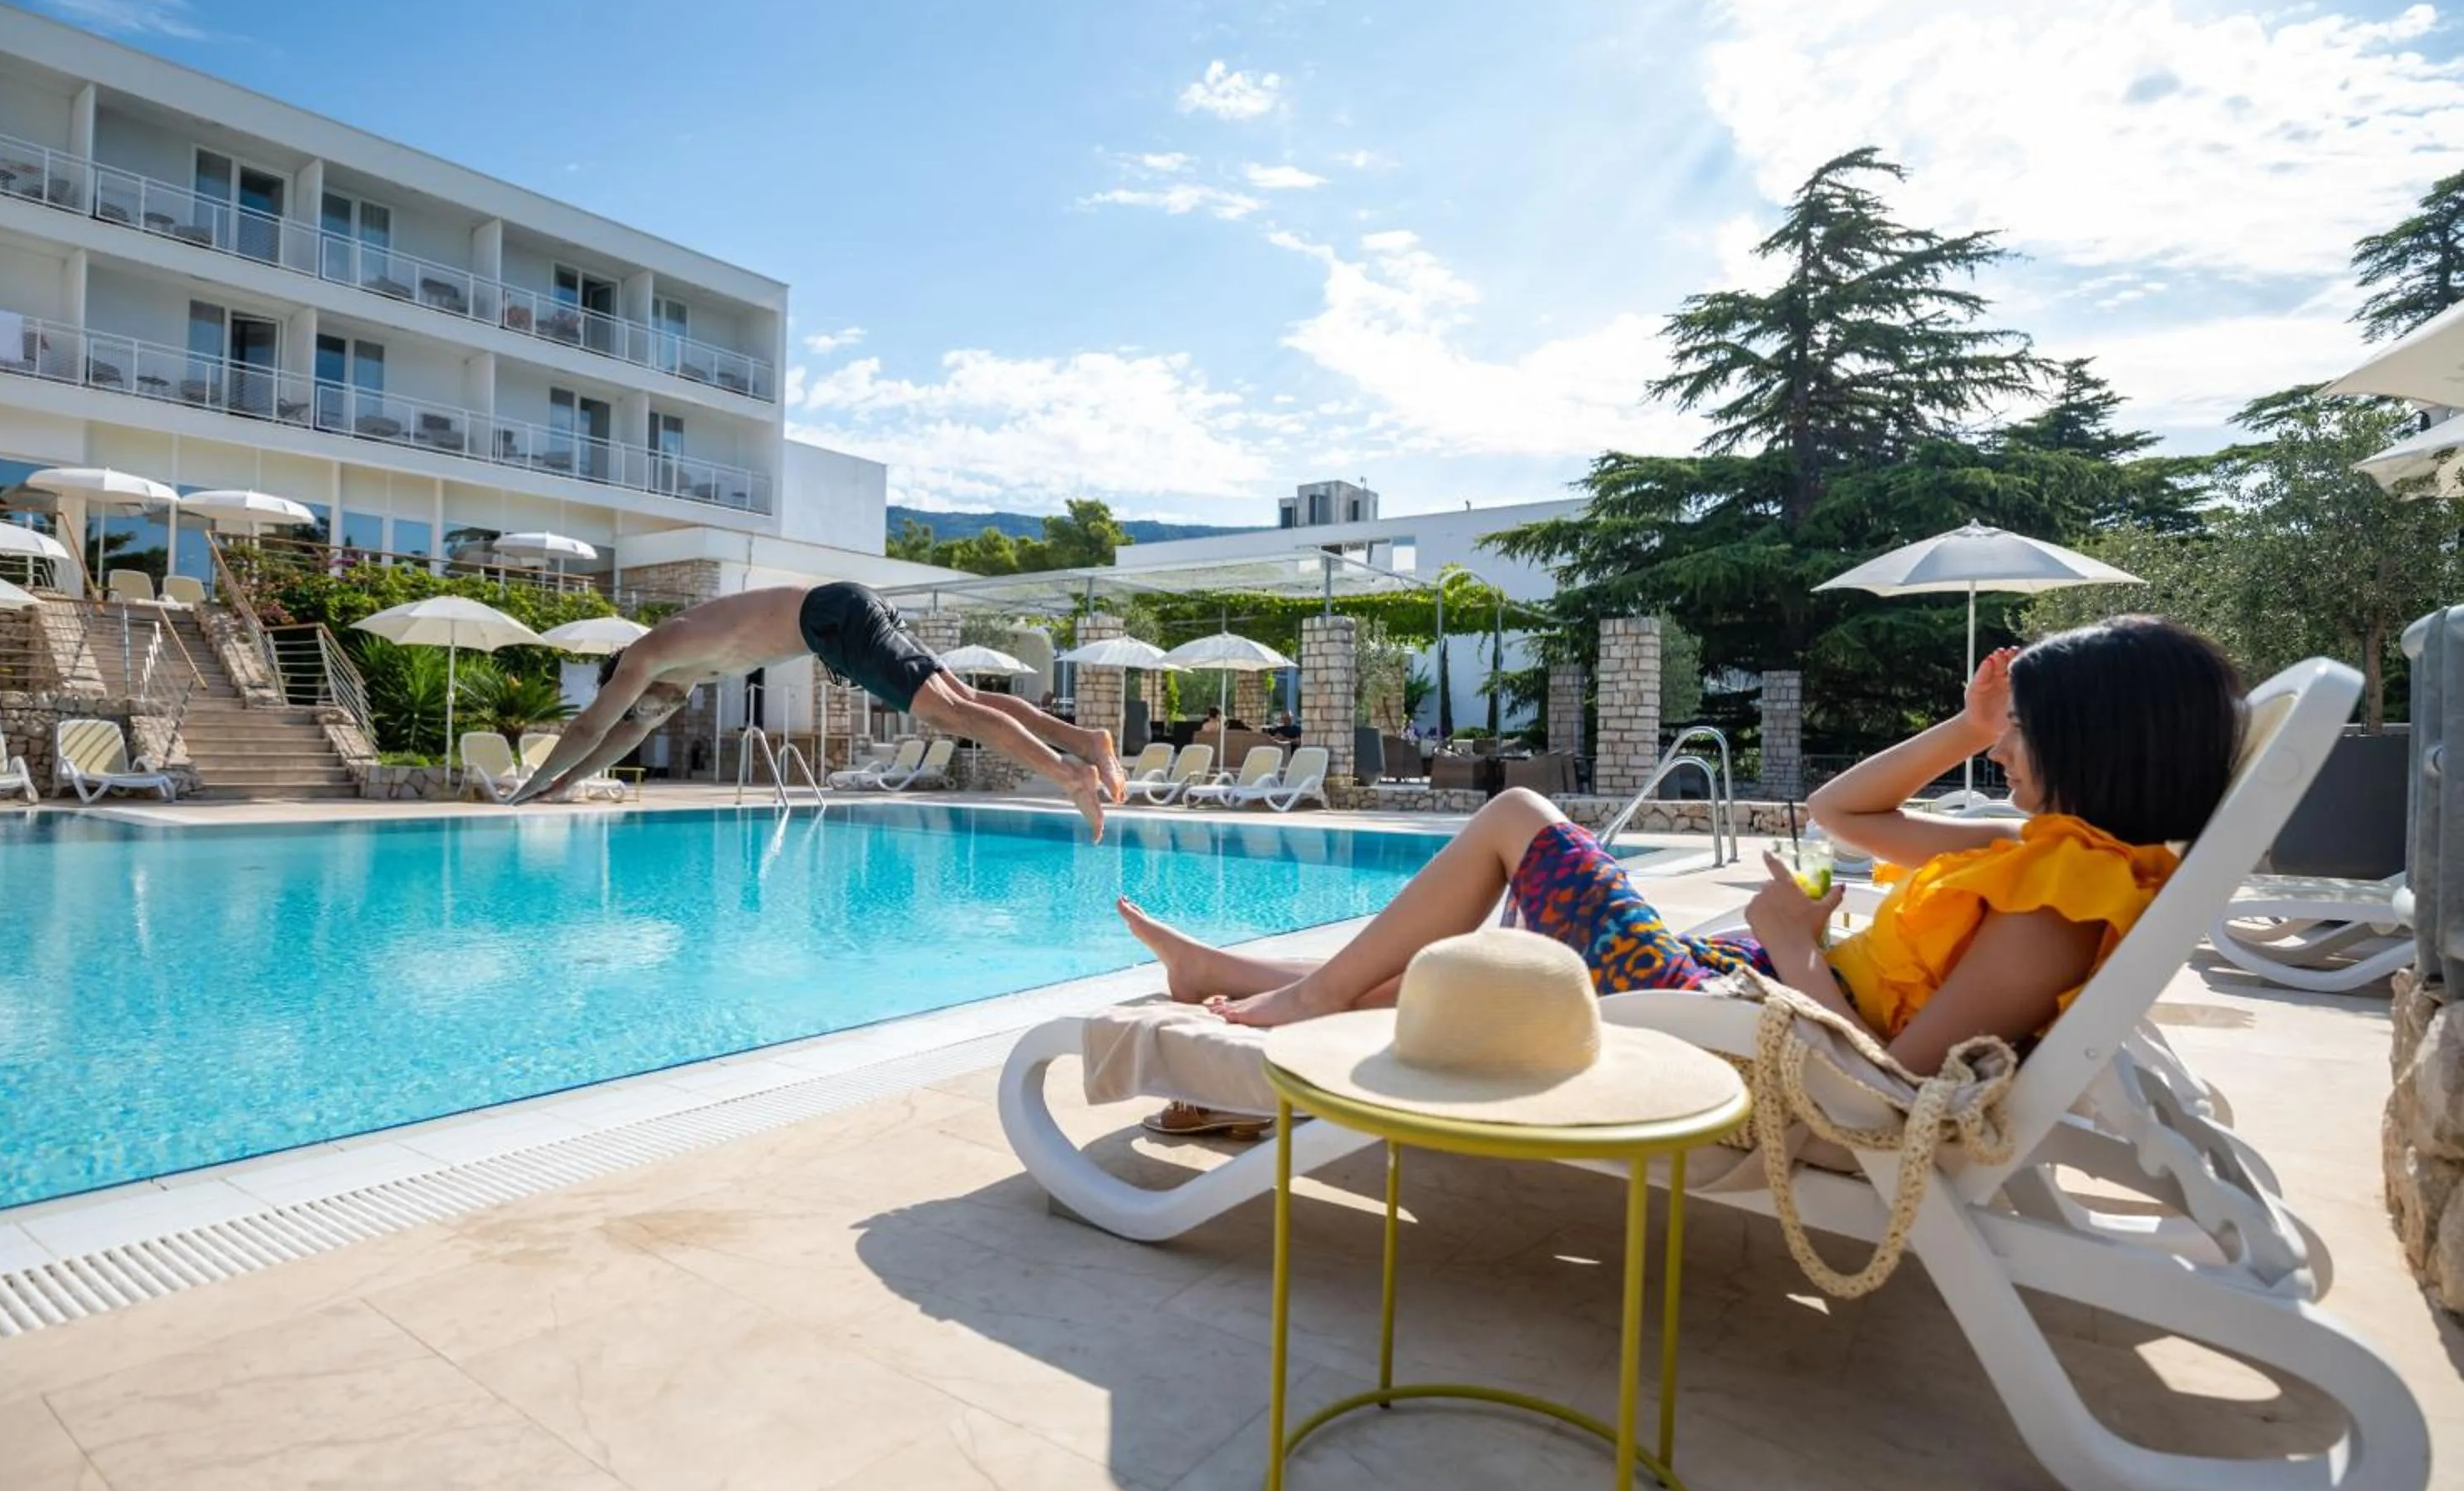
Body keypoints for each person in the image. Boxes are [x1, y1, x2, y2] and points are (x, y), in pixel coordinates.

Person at [1115, 617, 2242, 1075]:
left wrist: (1792, 943)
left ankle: (1306, 999)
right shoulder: (2047, 851)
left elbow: (1893, 1081)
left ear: (2097, 742)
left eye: (2022, 735)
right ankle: (1231, 975)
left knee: (1516, 820)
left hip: (1754, 1017)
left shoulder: (2057, 904)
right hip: (1743, 986)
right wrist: (1969, 724)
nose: (2003, 757)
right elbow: (1839, 814)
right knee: (1462, 974)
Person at [510, 583, 1126, 837]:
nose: (649, 711)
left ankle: (1071, 775)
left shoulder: (646, 657)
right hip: (841, 612)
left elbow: (595, 723)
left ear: (621, 677)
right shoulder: (680, 676)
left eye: (636, 702)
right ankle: (1087, 739)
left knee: (947, 714)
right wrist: (571, 780)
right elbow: (621, 736)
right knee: (959, 700)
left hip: (832, 622)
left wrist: (531, 786)